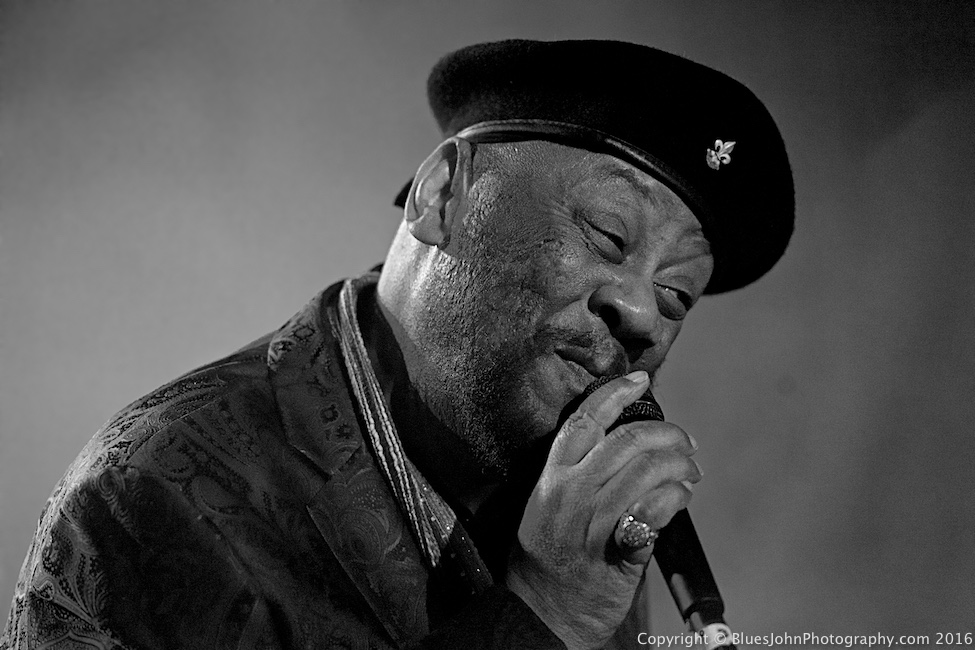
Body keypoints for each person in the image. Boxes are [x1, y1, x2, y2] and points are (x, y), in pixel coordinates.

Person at [1, 39, 793, 649]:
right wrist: (542, 613)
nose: (641, 314)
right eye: (607, 234)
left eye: (675, 294)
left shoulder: (573, 504)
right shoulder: (154, 489)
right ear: (442, 196)